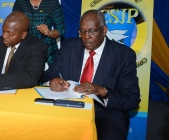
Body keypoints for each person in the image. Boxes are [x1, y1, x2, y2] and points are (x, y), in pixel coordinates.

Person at [43, 9, 140, 140]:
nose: (86, 36)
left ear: (104, 30)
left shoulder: (123, 55)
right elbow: (50, 72)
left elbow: (132, 99)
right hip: (68, 107)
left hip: (104, 113)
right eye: (82, 31)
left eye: (91, 31)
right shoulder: (69, 46)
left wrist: (103, 91)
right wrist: (53, 81)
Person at [12, 0, 65, 65]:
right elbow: (14, 27)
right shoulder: (20, 3)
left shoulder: (52, 3)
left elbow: (61, 31)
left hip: (48, 54)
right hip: (25, 54)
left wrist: (48, 32)